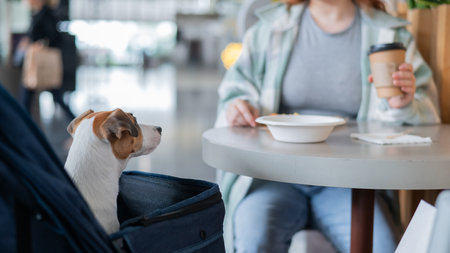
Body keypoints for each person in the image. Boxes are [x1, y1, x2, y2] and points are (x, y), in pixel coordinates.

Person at [215, 0, 441, 252]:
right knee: (253, 239)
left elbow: (429, 118)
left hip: (351, 182)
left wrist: (403, 105)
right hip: (276, 177)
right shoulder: (269, 29)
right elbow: (234, 90)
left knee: (381, 247)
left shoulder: (391, 35)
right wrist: (237, 105)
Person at [20, 0, 75, 121]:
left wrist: (37, 43)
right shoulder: (38, 13)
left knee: (53, 96)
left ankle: (76, 122)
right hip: (37, 63)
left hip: (40, 62)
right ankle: (76, 121)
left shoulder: (46, 14)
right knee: (53, 96)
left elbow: (54, 37)